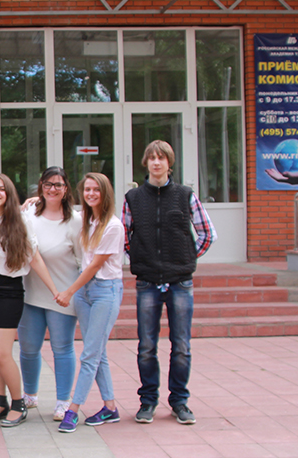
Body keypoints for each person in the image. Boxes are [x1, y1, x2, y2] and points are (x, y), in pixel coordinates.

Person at [123, 140, 217, 425]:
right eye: (151, 158)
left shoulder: (185, 195)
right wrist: (139, 257)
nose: (156, 162)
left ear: (169, 163)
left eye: (161, 158)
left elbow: (207, 233)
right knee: (146, 346)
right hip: (147, 282)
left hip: (180, 282)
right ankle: (148, 401)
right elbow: (124, 236)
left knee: (182, 346)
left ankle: (179, 401)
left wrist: (186, 258)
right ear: (146, 162)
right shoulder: (133, 198)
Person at [0, 173, 62, 428]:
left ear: (9, 194)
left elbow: (34, 258)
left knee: (2, 352)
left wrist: (55, 290)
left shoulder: (20, 221)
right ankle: (0, 401)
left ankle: (18, 403)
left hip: (8, 292)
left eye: (1, 189)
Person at [56, 173, 124, 434]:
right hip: (85, 292)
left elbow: (95, 265)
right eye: (87, 190)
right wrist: (31, 202)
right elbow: (58, 210)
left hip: (105, 291)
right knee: (97, 353)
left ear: (105, 193)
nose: (91, 194)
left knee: (89, 355)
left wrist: (69, 292)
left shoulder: (113, 226)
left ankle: (73, 410)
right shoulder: (86, 219)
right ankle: (110, 407)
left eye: (96, 190)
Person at [18, 167, 82, 422]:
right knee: (28, 347)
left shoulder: (75, 221)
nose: (52, 189)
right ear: (40, 186)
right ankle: (29, 395)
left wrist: (72, 292)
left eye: (58, 185)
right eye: (48, 184)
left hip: (62, 296)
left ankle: (63, 401)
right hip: (31, 294)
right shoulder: (29, 213)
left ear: (66, 189)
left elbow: (82, 260)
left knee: (62, 348)